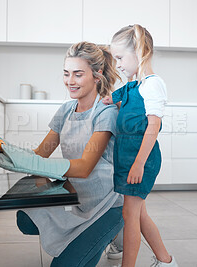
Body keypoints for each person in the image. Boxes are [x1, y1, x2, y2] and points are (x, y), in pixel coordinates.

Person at [15, 41, 124, 267]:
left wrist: (40, 170)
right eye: (66, 74)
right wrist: (7, 151)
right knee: (24, 219)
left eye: (78, 74)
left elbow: (84, 168)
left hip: (108, 206)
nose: (70, 81)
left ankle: (113, 232)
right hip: (78, 200)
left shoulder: (106, 112)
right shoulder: (65, 110)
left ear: (97, 75)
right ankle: (98, 239)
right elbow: (40, 155)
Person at [102, 24, 178, 267]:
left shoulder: (153, 85)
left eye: (121, 58)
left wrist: (138, 164)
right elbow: (110, 100)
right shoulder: (132, 86)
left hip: (141, 160)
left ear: (140, 51)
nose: (119, 64)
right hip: (128, 159)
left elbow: (152, 128)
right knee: (139, 214)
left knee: (129, 215)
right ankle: (166, 261)